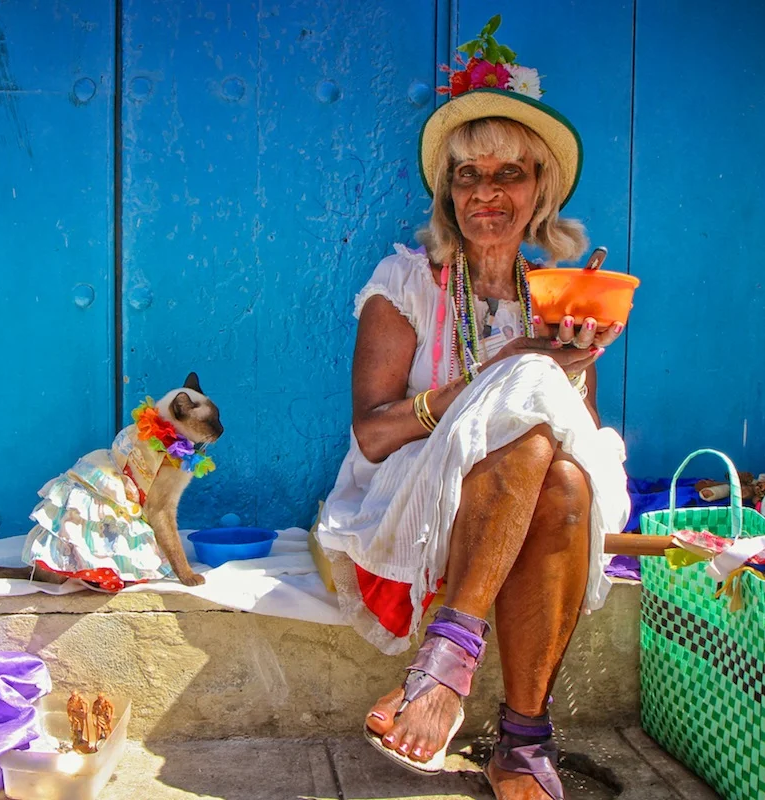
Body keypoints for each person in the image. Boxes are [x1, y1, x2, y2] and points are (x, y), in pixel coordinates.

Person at [315, 33, 631, 800]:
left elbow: (568, 444)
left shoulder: (556, 295)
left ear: (539, 191)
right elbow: (373, 432)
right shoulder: (406, 281)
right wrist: (500, 374)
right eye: (468, 175)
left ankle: (509, 732)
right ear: (448, 194)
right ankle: (490, 704)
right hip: (412, 498)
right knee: (525, 392)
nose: (487, 191)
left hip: (524, 501)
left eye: (508, 173)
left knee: (561, 478)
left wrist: (574, 367)